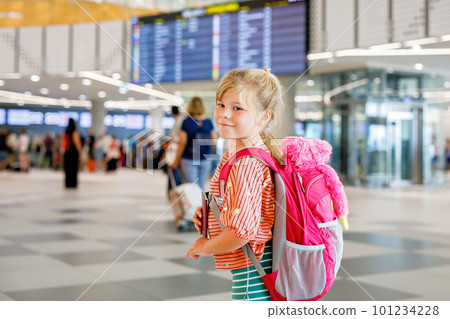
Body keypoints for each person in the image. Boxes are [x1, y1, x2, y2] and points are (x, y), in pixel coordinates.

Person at [186, 68, 284, 301]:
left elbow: (241, 234)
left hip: (253, 274)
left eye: (237, 108)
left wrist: (204, 246)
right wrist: (212, 213)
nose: (224, 114)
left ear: (263, 117)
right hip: (260, 265)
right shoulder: (248, 154)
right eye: (221, 105)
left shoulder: (245, 164)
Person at [171, 97, 218, 190]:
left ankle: (195, 204)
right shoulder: (208, 122)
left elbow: (182, 142)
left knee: (192, 187)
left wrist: (176, 160)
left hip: (189, 158)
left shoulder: (187, 122)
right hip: (206, 158)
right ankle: (201, 204)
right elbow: (214, 139)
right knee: (201, 187)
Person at [63, 118, 83, 188]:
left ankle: (68, 183)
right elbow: (76, 142)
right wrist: (80, 151)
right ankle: (73, 184)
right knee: (73, 168)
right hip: (73, 153)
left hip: (67, 152)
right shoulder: (75, 132)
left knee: (68, 169)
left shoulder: (66, 131)